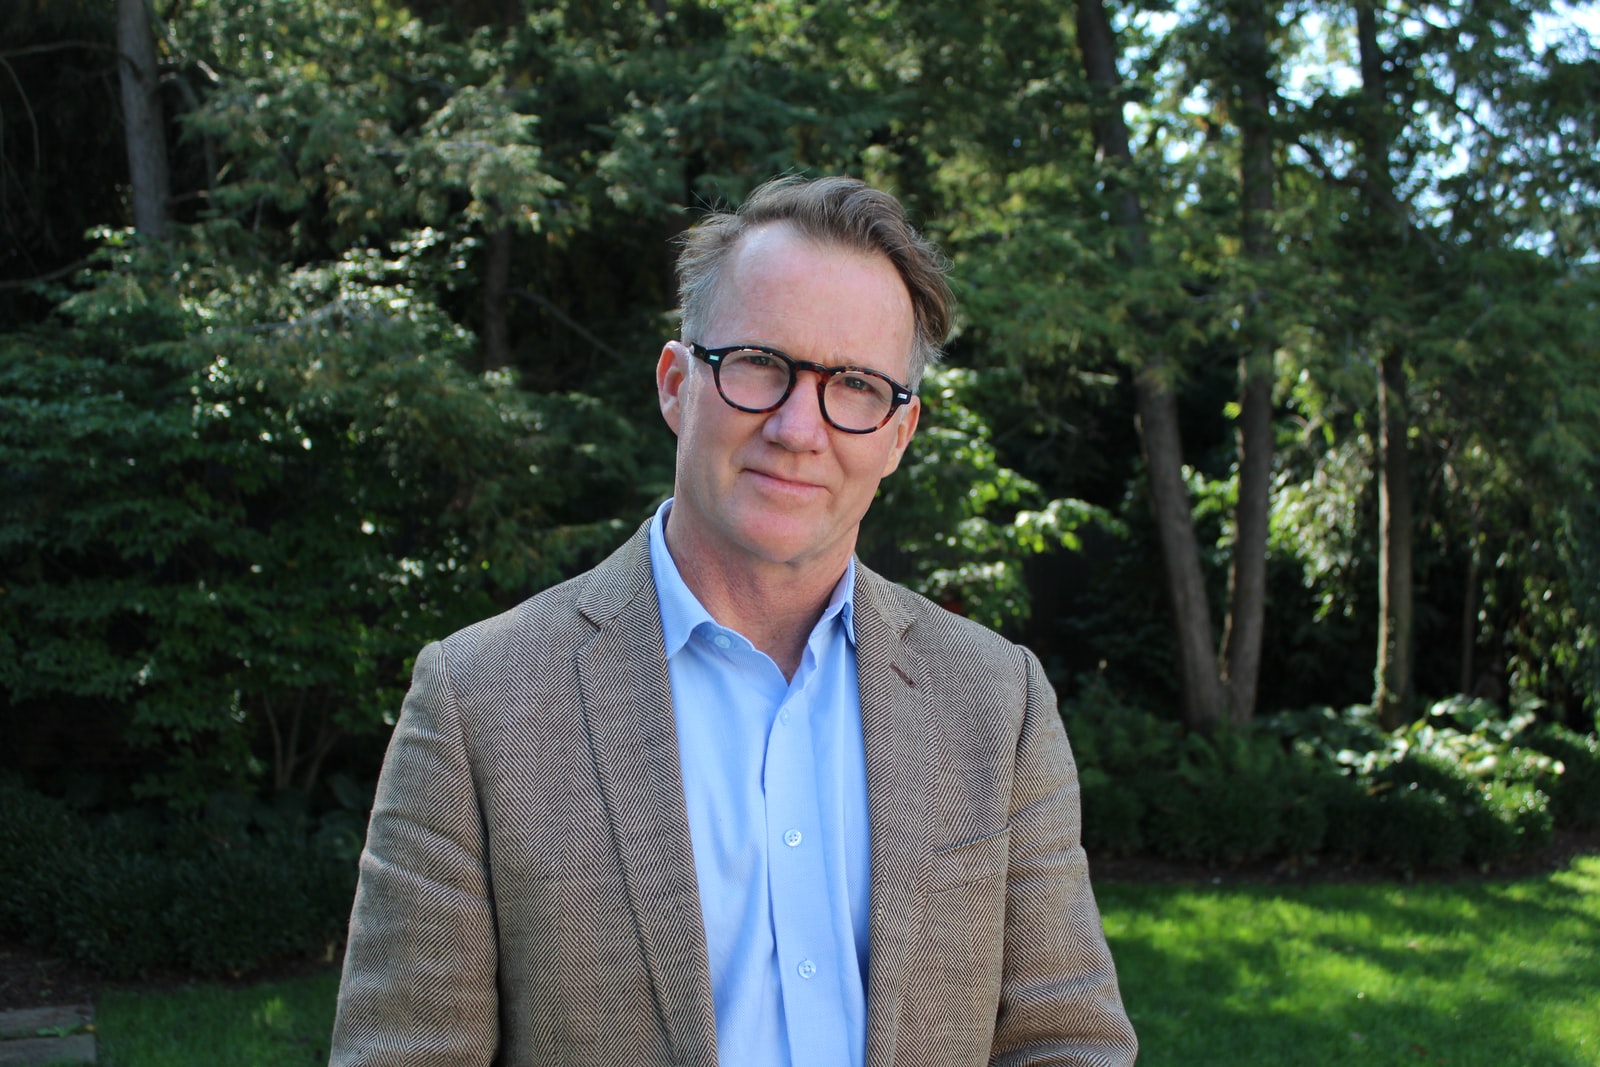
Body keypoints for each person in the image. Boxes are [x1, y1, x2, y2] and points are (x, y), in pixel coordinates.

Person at [329, 175, 1137, 1067]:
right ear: (678, 384)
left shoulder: (996, 700)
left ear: (900, 435)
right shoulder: (477, 703)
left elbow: (1065, 1040)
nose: (799, 427)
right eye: (760, 363)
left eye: (857, 385)